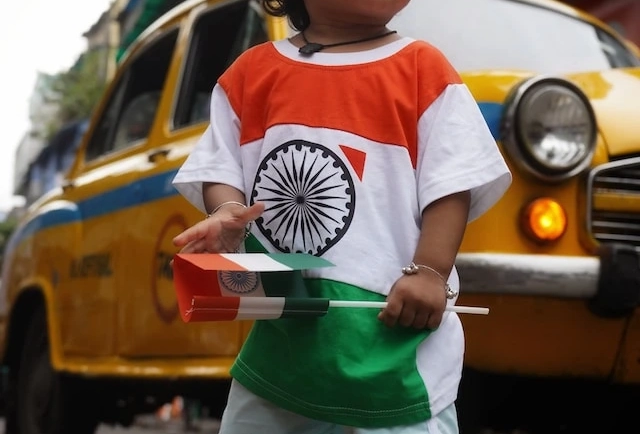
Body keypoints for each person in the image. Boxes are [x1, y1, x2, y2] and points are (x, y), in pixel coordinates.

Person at [171, 0, 512, 433]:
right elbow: (220, 168)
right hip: (281, 352)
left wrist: (429, 272)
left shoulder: (424, 69)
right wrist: (226, 211)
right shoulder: (250, 73)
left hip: (399, 354)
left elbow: (450, 185)